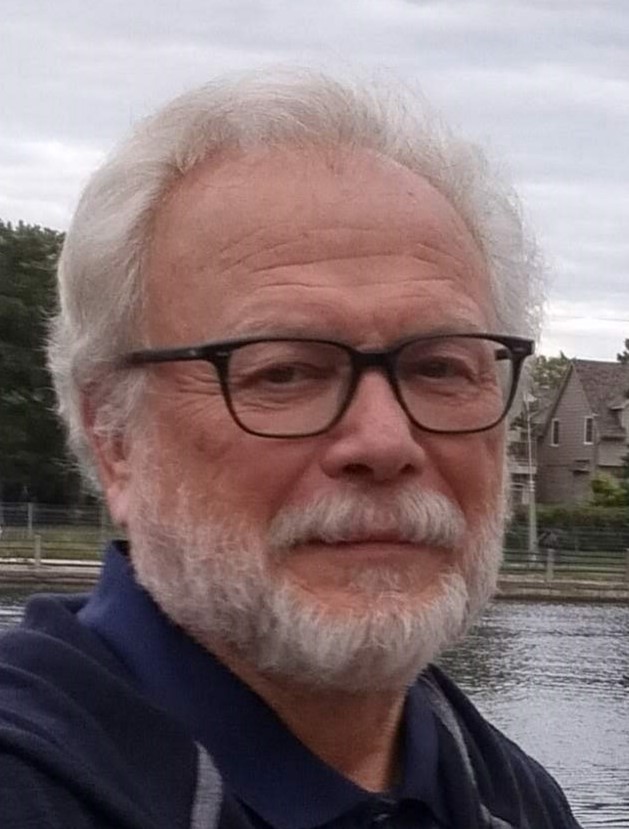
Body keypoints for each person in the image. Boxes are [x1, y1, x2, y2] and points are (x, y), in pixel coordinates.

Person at [0, 67, 582, 828]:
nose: (385, 441)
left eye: (440, 367)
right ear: (115, 439)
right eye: (284, 372)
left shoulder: (511, 797)